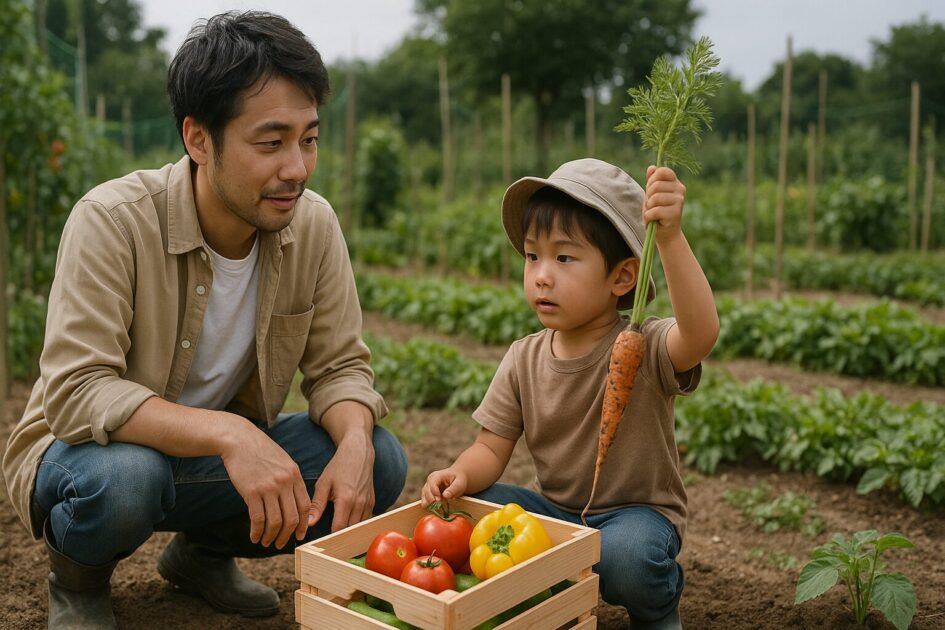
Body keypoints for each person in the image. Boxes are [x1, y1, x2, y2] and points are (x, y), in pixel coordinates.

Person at [2, 11, 407, 628]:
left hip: (209, 467)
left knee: (380, 457)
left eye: (310, 139)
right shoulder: (113, 221)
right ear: (198, 139)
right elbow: (78, 392)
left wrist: (352, 441)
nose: (296, 167)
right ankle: (77, 584)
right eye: (270, 143)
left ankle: (200, 555)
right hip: (91, 458)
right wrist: (231, 434)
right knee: (128, 479)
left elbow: (341, 367)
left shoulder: (313, 224)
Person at [421, 158, 719, 630]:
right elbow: (489, 448)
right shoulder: (523, 357)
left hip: (635, 517)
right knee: (477, 514)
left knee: (626, 557)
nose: (541, 274)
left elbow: (700, 334)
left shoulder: (643, 345)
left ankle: (658, 608)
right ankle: (549, 602)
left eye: (563, 258)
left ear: (622, 278)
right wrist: (459, 473)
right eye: (532, 256)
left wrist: (670, 238)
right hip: (556, 513)